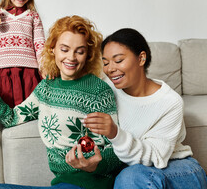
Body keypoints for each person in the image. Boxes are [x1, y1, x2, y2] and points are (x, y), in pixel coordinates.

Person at [0, 15, 125, 189]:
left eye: (80, 51)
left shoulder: (98, 91)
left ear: (88, 55)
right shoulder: (46, 88)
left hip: (91, 184)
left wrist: (94, 165)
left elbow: (116, 148)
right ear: (53, 49)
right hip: (62, 184)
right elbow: (11, 118)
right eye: (64, 49)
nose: (71, 57)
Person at [78, 28, 207, 188]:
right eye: (105, 62)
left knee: (129, 177)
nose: (110, 69)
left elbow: (153, 156)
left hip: (176, 167)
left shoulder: (170, 102)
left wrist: (115, 133)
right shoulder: (106, 88)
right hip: (133, 170)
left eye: (118, 61)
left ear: (141, 58)